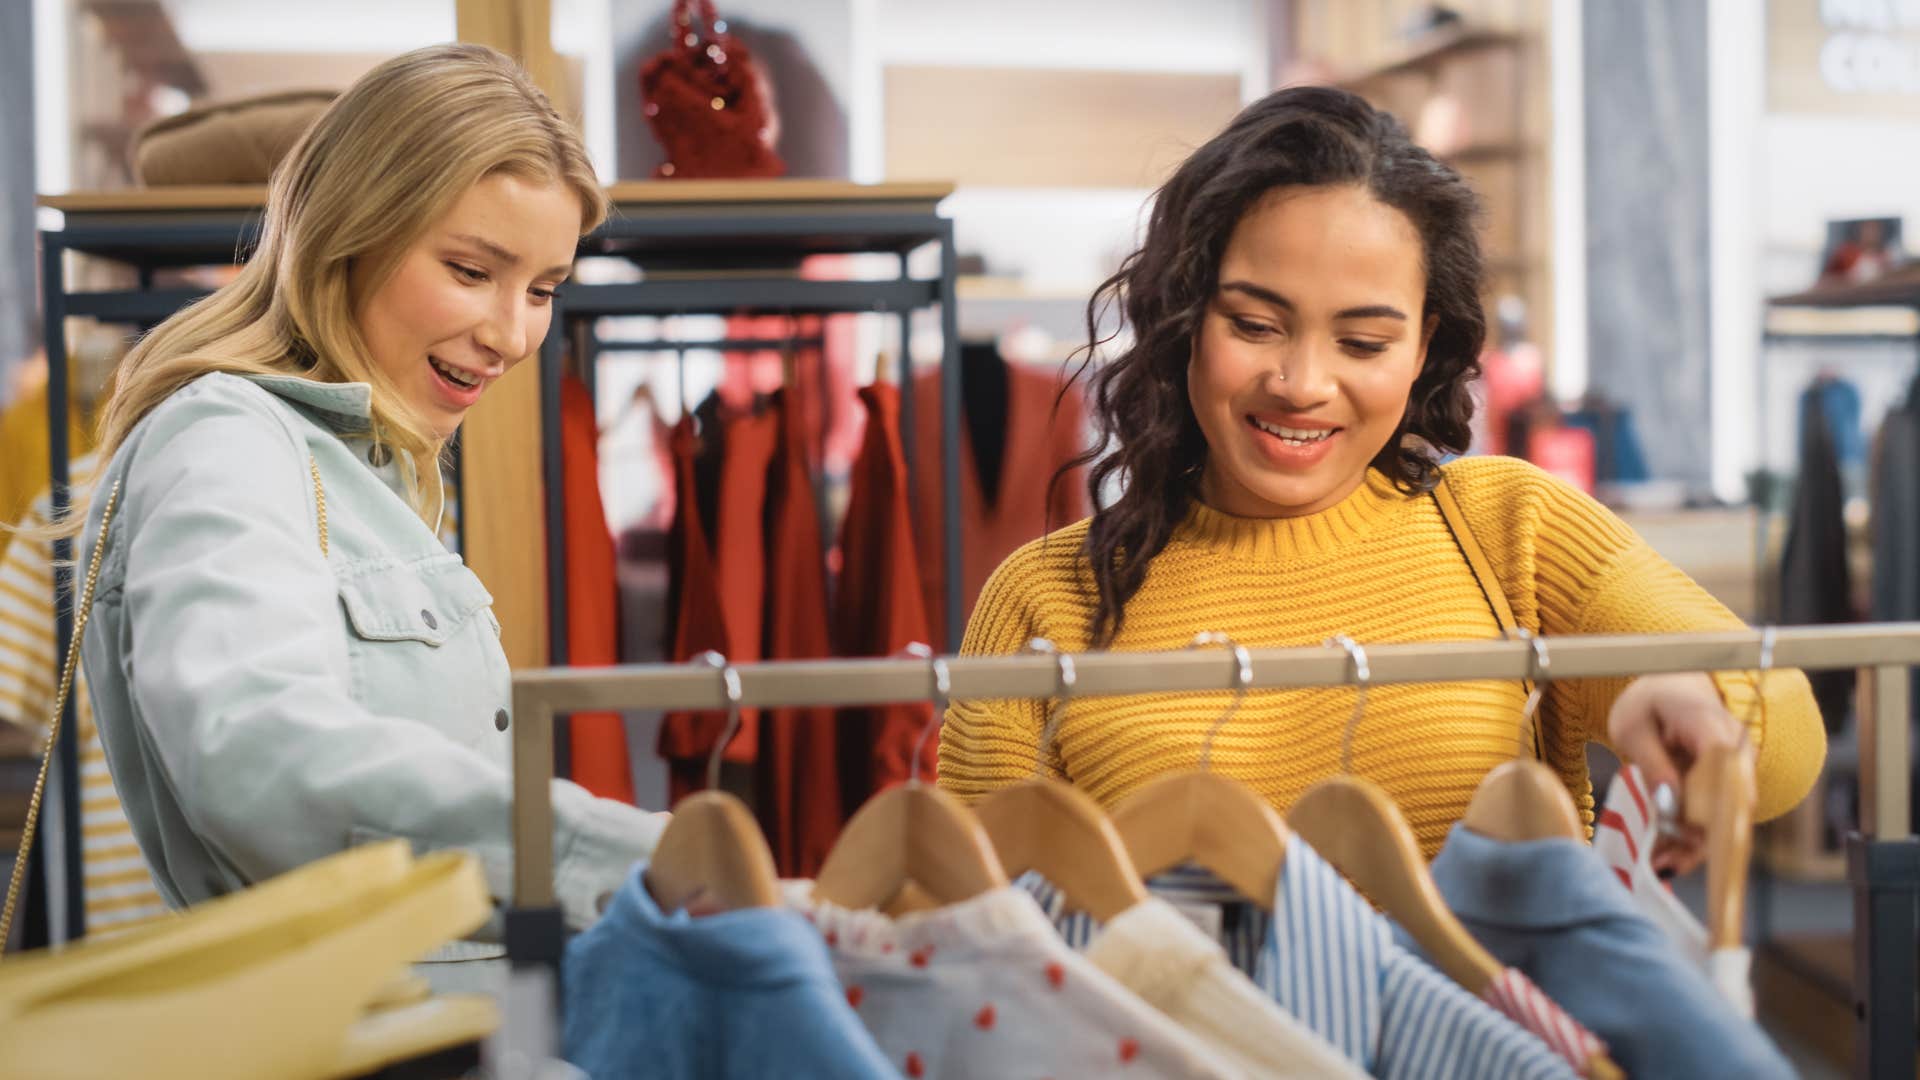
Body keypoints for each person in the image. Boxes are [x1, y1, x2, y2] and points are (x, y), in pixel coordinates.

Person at [938, 87, 1825, 868]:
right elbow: (976, 929)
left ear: (1424, 346)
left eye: (1362, 343)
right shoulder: (1047, 600)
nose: (1302, 384)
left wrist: (1685, 698)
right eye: (1254, 325)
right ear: (1184, 317)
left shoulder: (1510, 529)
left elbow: (1786, 742)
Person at [38, 45, 666, 987]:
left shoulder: (363, 466)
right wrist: (640, 860)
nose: (512, 334)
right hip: (346, 1027)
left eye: (542, 290)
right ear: (349, 231)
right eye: (471, 270)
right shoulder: (228, 440)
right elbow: (258, 754)